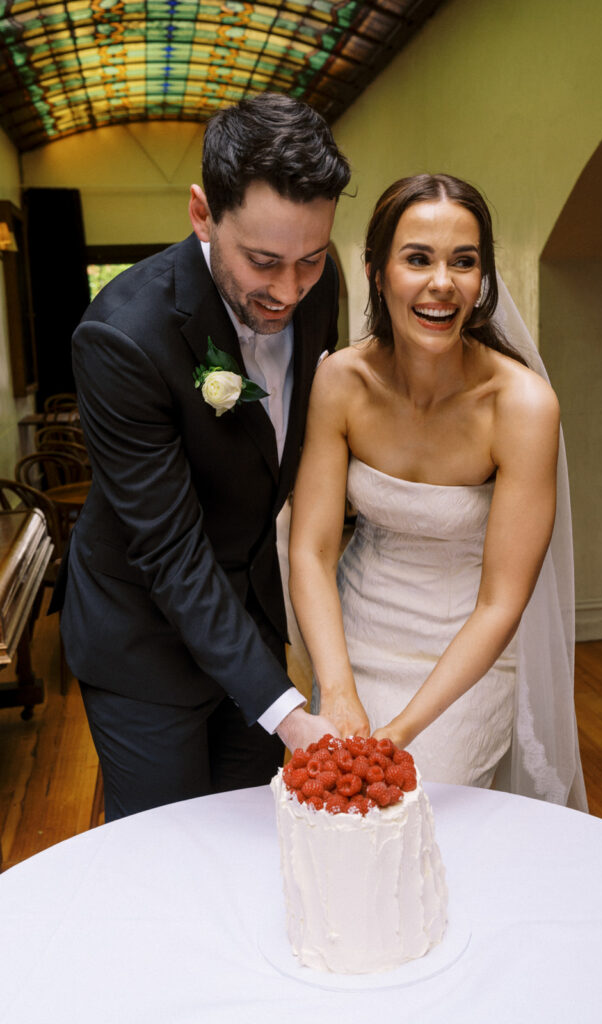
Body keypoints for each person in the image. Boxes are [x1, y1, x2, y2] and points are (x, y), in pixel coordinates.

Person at [54, 93, 350, 820]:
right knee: (168, 855)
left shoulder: (320, 287)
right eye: (263, 261)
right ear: (202, 215)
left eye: (308, 259)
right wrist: (288, 711)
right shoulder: (121, 336)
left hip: (251, 622)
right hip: (142, 641)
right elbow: (171, 551)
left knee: (252, 839)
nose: (287, 290)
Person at [289, 173, 587, 809]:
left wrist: (399, 733)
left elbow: (501, 601)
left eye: (464, 262)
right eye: (417, 259)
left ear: (483, 281)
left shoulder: (522, 406)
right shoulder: (341, 381)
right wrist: (337, 687)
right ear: (376, 271)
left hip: (466, 659)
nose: (442, 283)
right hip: (355, 640)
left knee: (420, 818)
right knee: (338, 818)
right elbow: (311, 550)